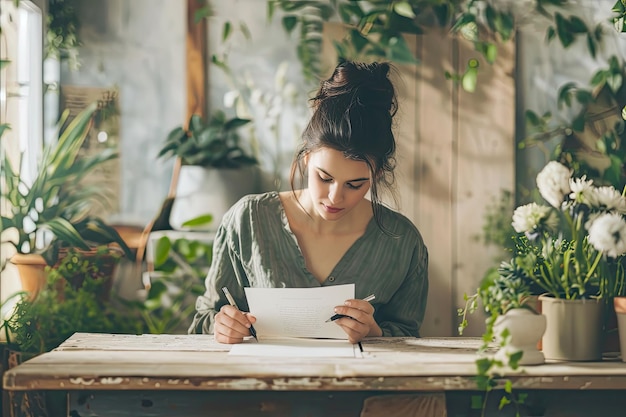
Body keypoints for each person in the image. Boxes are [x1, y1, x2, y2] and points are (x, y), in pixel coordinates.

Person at [189, 60, 429, 344]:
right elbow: (204, 319)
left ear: (376, 175)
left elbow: (408, 336)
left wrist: (374, 332)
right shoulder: (248, 220)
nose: (335, 197)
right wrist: (222, 325)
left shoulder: (402, 241)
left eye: (355, 185)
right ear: (306, 159)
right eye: (324, 178)